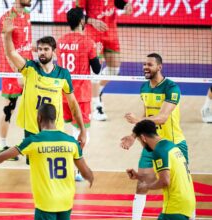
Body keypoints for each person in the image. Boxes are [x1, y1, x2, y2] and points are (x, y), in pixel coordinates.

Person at [0, 103, 94, 220]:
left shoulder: (33, 141)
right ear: (55, 118)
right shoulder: (71, 142)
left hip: (46, 203)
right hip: (66, 202)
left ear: (39, 118)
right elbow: (86, 172)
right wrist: (90, 177)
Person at [120, 53, 189, 220]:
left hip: (173, 144)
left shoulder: (171, 88)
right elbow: (148, 114)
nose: (145, 67)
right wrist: (133, 135)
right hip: (151, 145)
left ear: (159, 67)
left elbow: (162, 117)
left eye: (149, 64)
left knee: (182, 187)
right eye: (144, 64)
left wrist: (137, 120)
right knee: (142, 183)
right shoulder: (144, 88)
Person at [2, 16, 87, 148]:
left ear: (54, 52)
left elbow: (73, 104)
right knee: (34, 166)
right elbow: (11, 53)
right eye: (40, 49)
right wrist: (7, 35)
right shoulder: (30, 68)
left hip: (55, 129)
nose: (42, 52)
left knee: (51, 165)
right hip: (32, 128)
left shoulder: (63, 74)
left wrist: (83, 129)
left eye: (46, 49)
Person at [56, 7, 101, 181]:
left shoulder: (60, 41)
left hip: (63, 93)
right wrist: (97, 51)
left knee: (64, 129)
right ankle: (74, 168)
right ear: (82, 22)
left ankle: (60, 163)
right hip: (80, 95)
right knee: (82, 133)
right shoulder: (88, 42)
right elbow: (97, 70)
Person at [126, 120, 196, 220]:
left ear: (143, 138)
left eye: (139, 141)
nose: (142, 145)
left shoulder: (159, 151)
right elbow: (170, 176)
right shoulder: (170, 146)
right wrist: (138, 176)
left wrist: (147, 186)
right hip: (188, 204)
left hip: (174, 207)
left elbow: (165, 181)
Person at [76, 0, 133, 121]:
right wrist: (92, 21)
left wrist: (126, 6)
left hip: (111, 31)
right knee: (95, 70)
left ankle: (97, 90)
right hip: (93, 32)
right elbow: (77, 13)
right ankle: (97, 107)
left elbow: (118, 2)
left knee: (114, 68)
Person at [0, 0, 33, 160]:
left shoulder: (26, 14)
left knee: (31, 106)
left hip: (27, 68)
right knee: (9, 107)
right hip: (14, 71)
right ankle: (2, 145)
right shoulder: (7, 18)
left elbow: (25, 44)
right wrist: (17, 72)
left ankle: (29, 145)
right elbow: (7, 49)